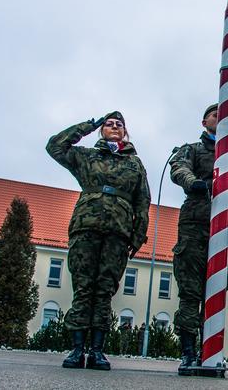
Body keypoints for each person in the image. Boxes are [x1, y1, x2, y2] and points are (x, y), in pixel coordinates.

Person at [46, 112, 151, 371]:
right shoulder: (86, 156)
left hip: (118, 232)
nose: (114, 127)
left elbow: (143, 202)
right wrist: (87, 126)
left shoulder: (135, 164)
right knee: (83, 288)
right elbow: (55, 146)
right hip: (86, 227)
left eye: (119, 125)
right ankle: (77, 349)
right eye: (109, 124)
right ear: (102, 130)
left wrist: (137, 237)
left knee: (105, 290)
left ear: (125, 132)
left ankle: (97, 351)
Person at [169, 103, 228, 375]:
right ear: (203, 121)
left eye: (224, 114)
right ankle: (187, 352)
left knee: (216, 293)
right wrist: (194, 182)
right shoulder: (193, 150)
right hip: (195, 226)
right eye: (214, 114)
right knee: (190, 293)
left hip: (225, 231)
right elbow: (179, 168)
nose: (219, 117)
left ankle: (210, 351)